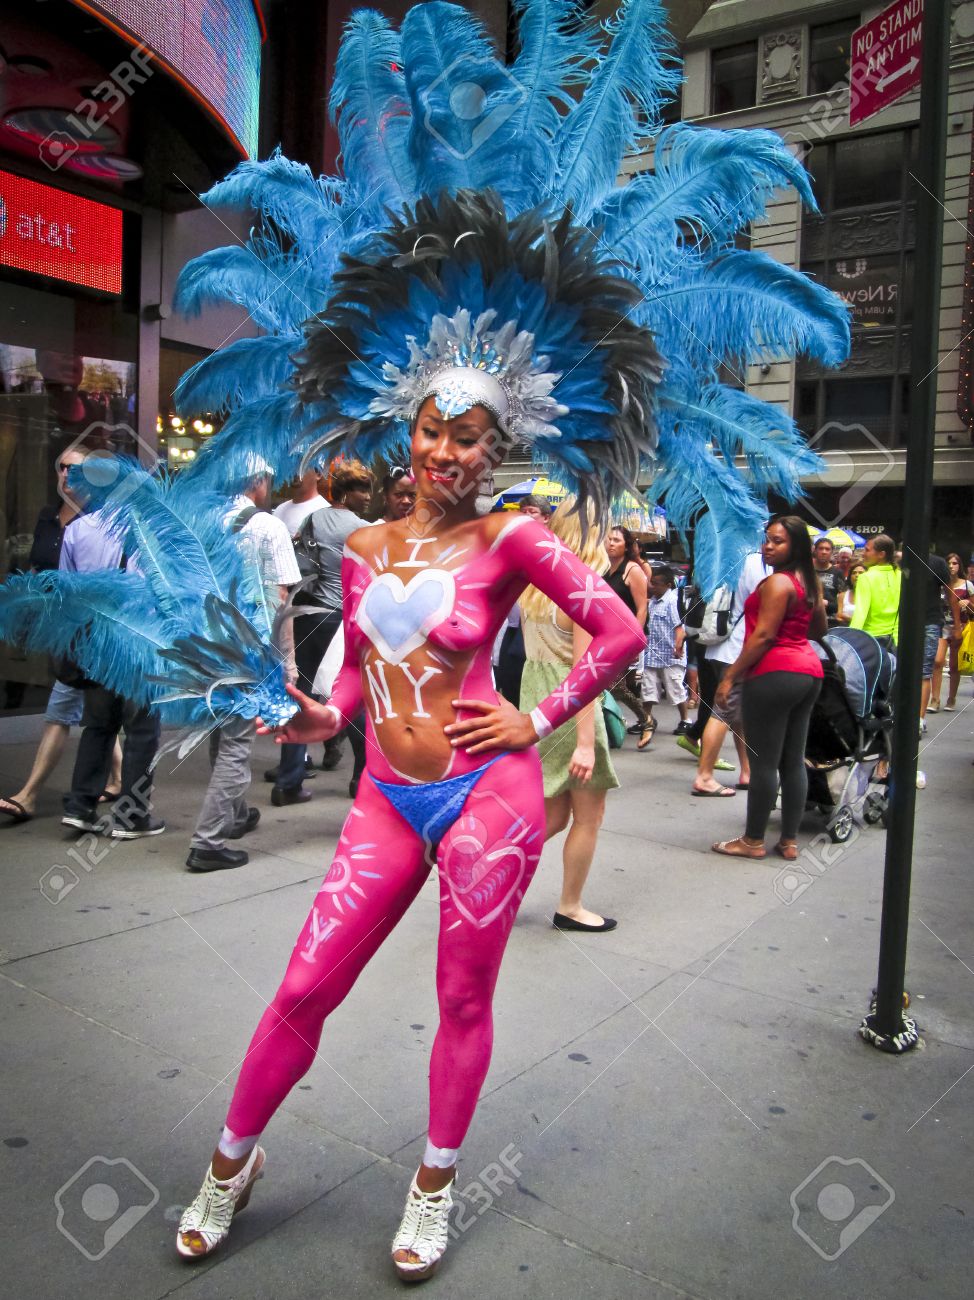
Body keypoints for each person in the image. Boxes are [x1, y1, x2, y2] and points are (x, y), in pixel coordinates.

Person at [185, 472, 301, 871]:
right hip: (250, 648)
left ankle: (233, 816)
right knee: (237, 744)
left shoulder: (204, 521)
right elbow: (281, 601)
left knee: (223, 733)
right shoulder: (269, 525)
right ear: (259, 482)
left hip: (207, 644)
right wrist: (288, 661)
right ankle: (208, 842)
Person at [0, 446, 122, 824]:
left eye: (75, 468)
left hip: (87, 633)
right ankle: (117, 779)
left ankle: (30, 794)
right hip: (56, 626)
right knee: (99, 714)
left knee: (63, 710)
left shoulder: (102, 522)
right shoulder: (49, 517)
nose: (66, 475)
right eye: (62, 467)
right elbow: (40, 565)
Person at [520, 499, 619, 933]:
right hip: (572, 710)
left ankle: (491, 876)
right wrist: (584, 742)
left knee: (552, 817)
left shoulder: (534, 586)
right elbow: (584, 674)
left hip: (537, 706)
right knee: (587, 818)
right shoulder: (584, 587)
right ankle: (571, 906)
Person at [711, 517, 826, 859]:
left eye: (778, 541)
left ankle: (752, 840)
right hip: (809, 672)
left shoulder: (778, 583)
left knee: (763, 762)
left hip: (773, 673)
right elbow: (818, 629)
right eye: (767, 540)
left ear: (796, 547)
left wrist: (730, 675)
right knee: (793, 761)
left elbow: (763, 636)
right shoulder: (810, 582)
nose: (768, 546)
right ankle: (789, 841)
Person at [272, 461, 374, 802]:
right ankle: (361, 776)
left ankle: (288, 781)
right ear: (346, 491)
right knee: (352, 695)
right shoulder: (362, 528)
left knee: (300, 694)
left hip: (309, 614)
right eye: (363, 490)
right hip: (341, 618)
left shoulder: (312, 520)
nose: (368, 497)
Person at [60, 511, 163, 838]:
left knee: (99, 726)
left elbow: (66, 589)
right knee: (142, 731)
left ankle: (80, 807)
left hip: (97, 641)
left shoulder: (78, 528)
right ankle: (131, 819)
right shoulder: (152, 527)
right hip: (141, 641)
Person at [688, 551, 768, 796]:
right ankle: (705, 776)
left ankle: (747, 772)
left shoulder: (722, 558)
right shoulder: (757, 563)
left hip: (717, 645)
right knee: (723, 712)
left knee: (736, 713)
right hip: (738, 648)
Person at [494, 495, 552, 704]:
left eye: (532, 512)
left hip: (540, 626)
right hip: (512, 625)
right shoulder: (510, 545)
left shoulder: (551, 546)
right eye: (523, 511)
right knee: (507, 682)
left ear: (546, 518)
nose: (526, 516)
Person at [605, 524, 651, 741]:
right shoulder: (605, 568)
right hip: (607, 635)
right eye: (609, 539)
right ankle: (644, 719)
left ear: (627, 546)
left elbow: (642, 608)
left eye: (616, 540)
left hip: (626, 636)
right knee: (611, 683)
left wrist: (636, 640)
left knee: (611, 683)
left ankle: (644, 719)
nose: (611, 543)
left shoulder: (632, 569)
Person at [640, 565, 689, 744]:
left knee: (675, 688)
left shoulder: (671, 601)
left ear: (668, 584)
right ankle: (646, 721)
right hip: (652, 654)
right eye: (651, 582)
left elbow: (679, 628)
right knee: (648, 690)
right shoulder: (652, 601)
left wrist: (678, 647)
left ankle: (685, 720)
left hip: (669, 655)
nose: (652, 586)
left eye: (656, 583)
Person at [919, 551, 959, 729]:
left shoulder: (936, 563)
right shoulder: (900, 560)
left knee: (929, 667)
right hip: (903, 623)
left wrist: (957, 626)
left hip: (931, 622)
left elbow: (950, 595)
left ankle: (921, 717)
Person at [849, 534, 901, 645]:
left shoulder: (866, 577)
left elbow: (860, 613)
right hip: (896, 638)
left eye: (867, 550)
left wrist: (850, 639)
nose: (863, 553)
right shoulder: (899, 575)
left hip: (871, 639)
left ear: (881, 554)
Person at [942, 551, 974, 710]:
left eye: (954, 563)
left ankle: (951, 698)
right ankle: (935, 699)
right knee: (937, 661)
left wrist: (968, 602)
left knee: (954, 665)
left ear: (959, 565)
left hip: (960, 627)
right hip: (942, 626)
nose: (951, 566)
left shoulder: (967, 585)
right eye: (948, 563)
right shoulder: (941, 584)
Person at [272, 468, 330, 535]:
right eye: (293, 466)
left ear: (318, 474)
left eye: (302, 465)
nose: (295, 472)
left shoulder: (324, 513)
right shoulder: (280, 509)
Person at [812, 536, 843, 625]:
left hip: (831, 619)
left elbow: (843, 596)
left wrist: (827, 604)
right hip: (810, 617)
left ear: (832, 552)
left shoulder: (837, 572)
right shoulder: (807, 571)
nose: (824, 552)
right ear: (815, 550)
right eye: (821, 549)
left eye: (827, 549)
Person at [835, 560, 866, 624]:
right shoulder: (842, 596)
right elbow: (839, 615)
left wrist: (847, 618)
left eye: (860, 573)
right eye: (854, 573)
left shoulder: (871, 595)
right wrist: (855, 620)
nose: (857, 575)